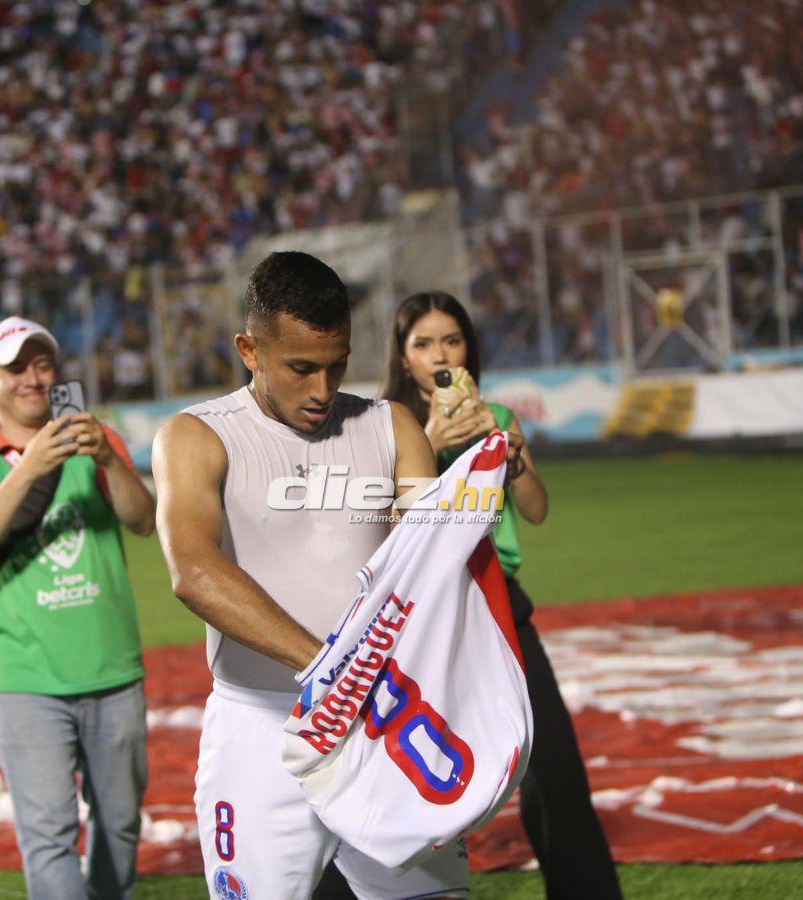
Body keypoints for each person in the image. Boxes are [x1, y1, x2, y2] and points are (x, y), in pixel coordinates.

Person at [153, 252, 524, 899]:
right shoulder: (196, 436)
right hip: (261, 727)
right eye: (301, 368)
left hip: (381, 725)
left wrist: (480, 479)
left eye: (337, 364)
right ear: (250, 349)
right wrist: (331, 666)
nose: (322, 389)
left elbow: (433, 560)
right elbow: (193, 570)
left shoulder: (390, 425)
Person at [381, 291, 622, 899]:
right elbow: (378, 528)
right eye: (423, 343)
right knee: (400, 774)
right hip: (424, 612)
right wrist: (429, 443)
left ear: (469, 350)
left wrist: (513, 460)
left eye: (452, 340)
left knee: (556, 768)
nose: (440, 353)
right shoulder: (386, 424)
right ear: (403, 358)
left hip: (499, 603)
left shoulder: (500, 416)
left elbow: (536, 512)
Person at [0, 317, 155, 900]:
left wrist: (109, 461)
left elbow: (142, 520)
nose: (32, 379)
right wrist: (32, 464)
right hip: (20, 674)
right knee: (48, 836)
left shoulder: (98, 440)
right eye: (15, 369)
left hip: (112, 667)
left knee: (119, 827)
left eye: (41, 365)